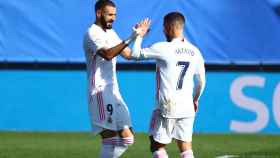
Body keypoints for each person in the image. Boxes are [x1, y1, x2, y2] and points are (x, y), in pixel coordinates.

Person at [130, 12, 206, 158]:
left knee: (156, 145)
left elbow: (135, 54)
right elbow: (202, 81)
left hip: (167, 104)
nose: (164, 31)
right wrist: (195, 99)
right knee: (185, 147)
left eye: (164, 28)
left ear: (169, 28)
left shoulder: (163, 47)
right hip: (187, 106)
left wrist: (140, 35)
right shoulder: (195, 51)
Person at [83, 0, 142, 157]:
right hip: (99, 91)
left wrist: (139, 38)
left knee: (128, 138)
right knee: (110, 138)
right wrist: (130, 37)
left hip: (114, 91)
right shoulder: (92, 33)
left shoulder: (111, 33)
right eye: (110, 14)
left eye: (115, 15)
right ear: (98, 13)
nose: (113, 18)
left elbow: (129, 55)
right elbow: (108, 54)